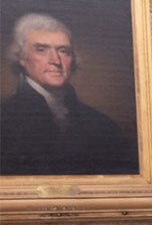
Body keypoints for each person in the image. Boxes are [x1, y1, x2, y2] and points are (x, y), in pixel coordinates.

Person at [0, 12, 138, 176]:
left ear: (72, 59)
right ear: (21, 58)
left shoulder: (101, 125)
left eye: (63, 51)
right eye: (41, 50)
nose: (56, 61)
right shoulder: (4, 117)